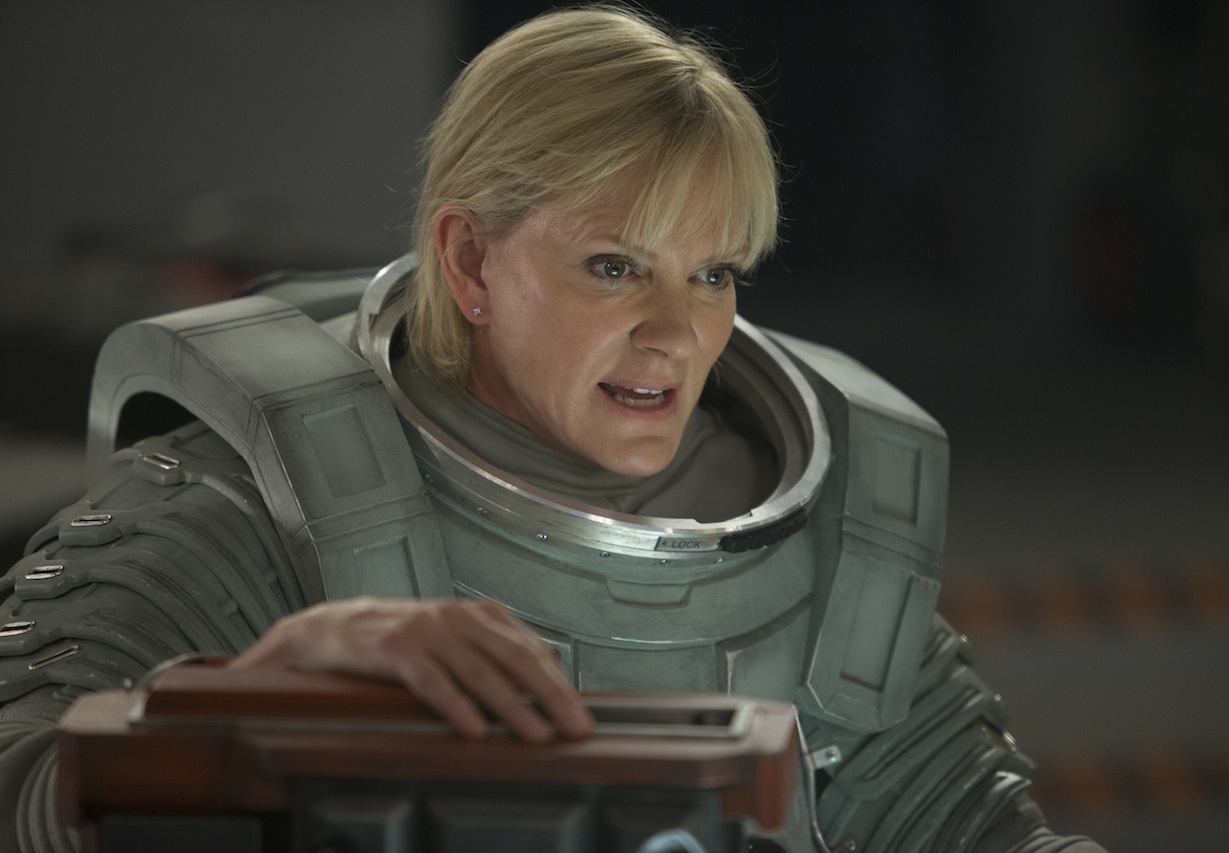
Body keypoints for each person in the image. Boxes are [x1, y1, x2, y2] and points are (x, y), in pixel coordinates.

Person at [0, 5, 1105, 852]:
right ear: (469, 261)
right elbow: (22, 785)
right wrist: (220, 708)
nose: (676, 333)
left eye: (713, 273)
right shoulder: (256, 494)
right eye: (614, 267)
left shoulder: (822, 541)